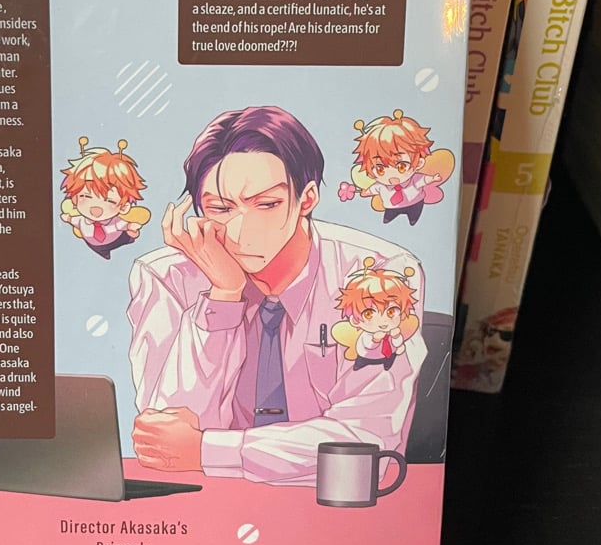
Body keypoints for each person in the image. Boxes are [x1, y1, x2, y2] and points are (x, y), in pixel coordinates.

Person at [128, 106, 426, 486]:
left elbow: (364, 443)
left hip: (330, 504)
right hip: (211, 501)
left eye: (266, 204)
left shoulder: (380, 273)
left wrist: (208, 450)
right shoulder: (167, 276)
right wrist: (223, 297)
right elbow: (165, 442)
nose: (241, 231)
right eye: (220, 208)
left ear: (307, 199)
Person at [60, 137, 150, 260]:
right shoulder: (81, 220)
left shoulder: (116, 222)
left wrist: (131, 229)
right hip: (93, 244)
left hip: (116, 239)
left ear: (123, 207)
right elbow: (73, 220)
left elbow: (124, 225)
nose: (95, 208)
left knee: (127, 239)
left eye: (110, 200)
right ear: (74, 200)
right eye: (85, 196)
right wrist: (68, 218)